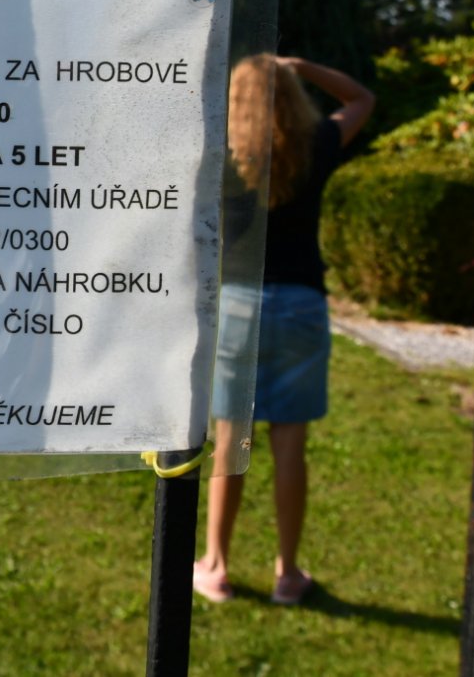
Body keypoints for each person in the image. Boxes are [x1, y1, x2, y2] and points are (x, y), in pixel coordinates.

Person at [193, 54, 374, 606]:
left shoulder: (222, 152)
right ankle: (287, 573)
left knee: (232, 442)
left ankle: (216, 566)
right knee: (290, 444)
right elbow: (362, 100)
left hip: (238, 305)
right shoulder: (316, 143)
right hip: (301, 305)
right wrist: (302, 67)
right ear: (292, 97)